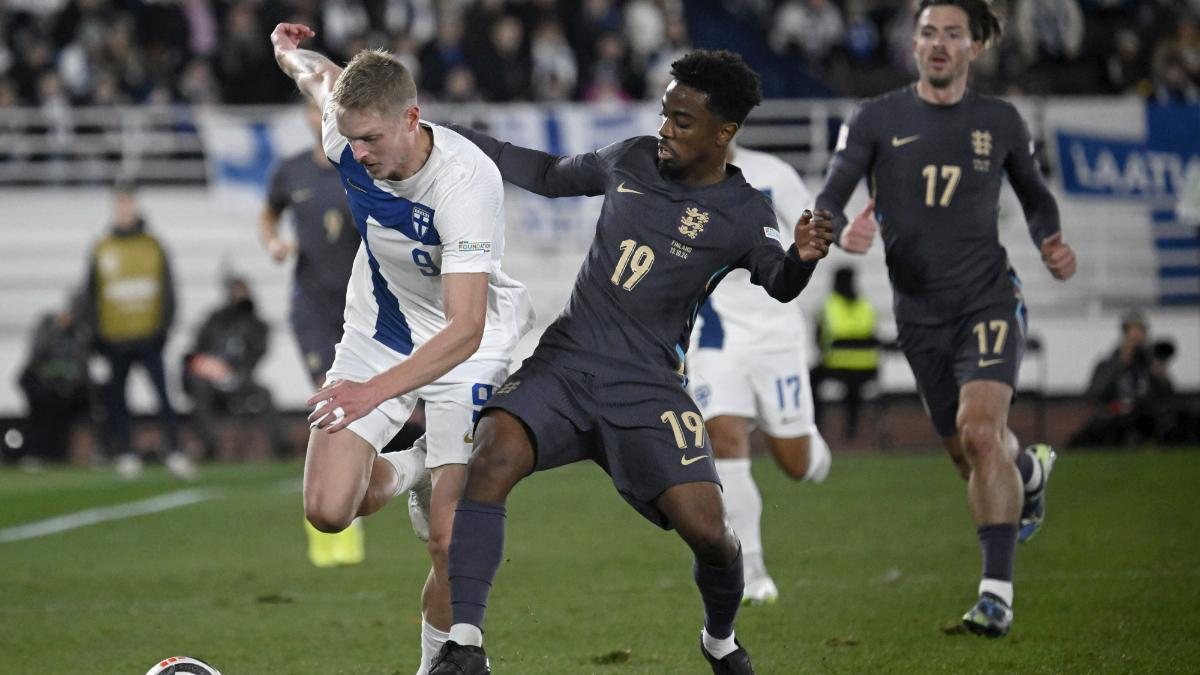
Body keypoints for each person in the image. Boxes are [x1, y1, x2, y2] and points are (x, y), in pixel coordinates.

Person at [432, 50, 834, 675]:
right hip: (566, 365)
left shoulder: (745, 211)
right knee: (491, 456)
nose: (666, 129)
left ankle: (720, 642)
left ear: (724, 133)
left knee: (713, 536)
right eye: (665, 113)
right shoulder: (631, 157)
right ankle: (464, 646)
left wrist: (803, 257)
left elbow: (778, 282)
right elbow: (541, 171)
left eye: (682, 119)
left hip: (649, 390)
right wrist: (445, 134)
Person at [270, 23, 534, 674]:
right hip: (380, 331)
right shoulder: (344, 129)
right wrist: (285, 51)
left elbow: (465, 326)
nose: (356, 154)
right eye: (349, 137)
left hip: (466, 343)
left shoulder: (466, 182)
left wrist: (372, 393)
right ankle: (414, 466)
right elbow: (317, 76)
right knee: (331, 509)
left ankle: (435, 667)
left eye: (371, 139)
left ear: (411, 118)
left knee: (447, 537)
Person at [815, 0, 1078, 638]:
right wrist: (829, 221)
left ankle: (995, 598)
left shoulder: (1001, 120)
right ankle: (1027, 473)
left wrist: (1050, 239)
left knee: (982, 432)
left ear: (974, 48)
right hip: (919, 316)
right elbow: (837, 180)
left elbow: (1035, 196)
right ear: (913, 44)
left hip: (987, 298)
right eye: (928, 32)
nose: (938, 43)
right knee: (970, 455)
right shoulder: (877, 117)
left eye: (952, 34)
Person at [685, 141, 833, 608]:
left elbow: (813, 237)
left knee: (795, 463)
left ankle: (810, 444)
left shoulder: (773, 174)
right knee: (723, 437)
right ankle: (753, 570)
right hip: (715, 335)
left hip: (775, 334)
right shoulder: (675, 176)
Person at [261, 100, 372, 568]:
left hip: (361, 308)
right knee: (327, 406)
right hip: (310, 306)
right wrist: (273, 243)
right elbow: (269, 214)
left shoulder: (363, 169)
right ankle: (331, 527)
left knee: (349, 410)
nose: (319, 117)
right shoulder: (289, 171)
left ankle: (341, 514)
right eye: (313, 110)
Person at [82, 181, 195, 481]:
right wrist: (97, 336)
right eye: (120, 203)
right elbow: (90, 295)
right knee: (117, 400)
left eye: (129, 202)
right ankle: (127, 453)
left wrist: (163, 330)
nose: (125, 208)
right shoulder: (102, 247)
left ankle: (174, 451)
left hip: (149, 338)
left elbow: (169, 290)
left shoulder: (153, 245)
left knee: (163, 397)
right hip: (114, 340)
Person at [182, 276, 287, 461]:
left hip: (240, 380)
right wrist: (210, 367)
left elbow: (258, 350)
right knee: (200, 389)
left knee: (265, 394)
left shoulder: (254, 323)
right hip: (212, 381)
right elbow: (194, 353)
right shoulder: (215, 320)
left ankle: (281, 447)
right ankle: (209, 445)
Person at [1068, 311, 1190, 447]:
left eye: (1141, 332)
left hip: (1148, 419)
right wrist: (1120, 363)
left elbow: (1169, 397)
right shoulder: (1108, 364)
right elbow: (1093, 394)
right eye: (1132, 332)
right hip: (1117, 418)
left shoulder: (1150, 364)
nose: (1137, 337)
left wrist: (1161, 375)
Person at [17, 292, 92, 466]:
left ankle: (61, 455)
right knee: (41, 415)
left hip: (64, 387)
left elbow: (81, 365)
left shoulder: (80, 333)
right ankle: (35, 453)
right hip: (39, 383)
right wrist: (57, 329)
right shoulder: (47, 324)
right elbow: (37, 354)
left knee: (67, 413)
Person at [811, 265, 880, 441]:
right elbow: (873, 333)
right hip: (867, 368)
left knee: (812, 379)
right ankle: (851, 429)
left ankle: (816, 424)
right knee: (854, 388)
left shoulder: (829, 305)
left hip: (836, 365)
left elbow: (818, 340)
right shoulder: (866, 305)